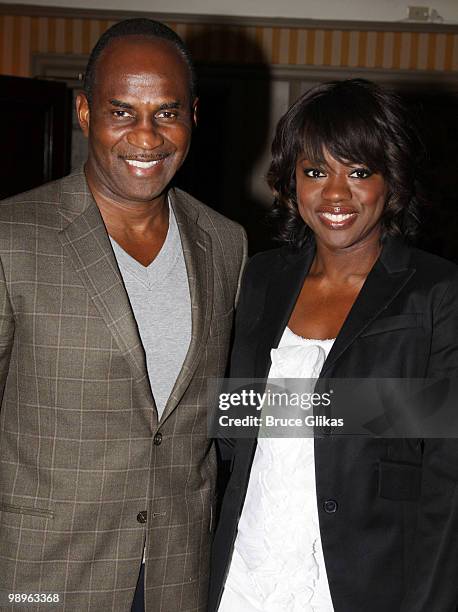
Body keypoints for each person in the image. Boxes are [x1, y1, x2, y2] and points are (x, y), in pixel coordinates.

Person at [0, 18, 246, 612]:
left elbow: (227, 408)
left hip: (176, 571)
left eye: (167, 112)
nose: (147, 136)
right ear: (85, 113)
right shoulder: (12, 236)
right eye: (122, 112)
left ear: (193, 115)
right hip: (44, 568)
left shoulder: (226, 242)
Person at [209, 79, 458, 612]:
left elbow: (445, 474)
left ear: (392, 179)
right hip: (248, 571)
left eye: (359, 171)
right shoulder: (261, 279)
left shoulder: (435, 291)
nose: (336, 194)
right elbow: (233, 425)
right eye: (316, 172)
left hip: (366, 583)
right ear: (290, 183)